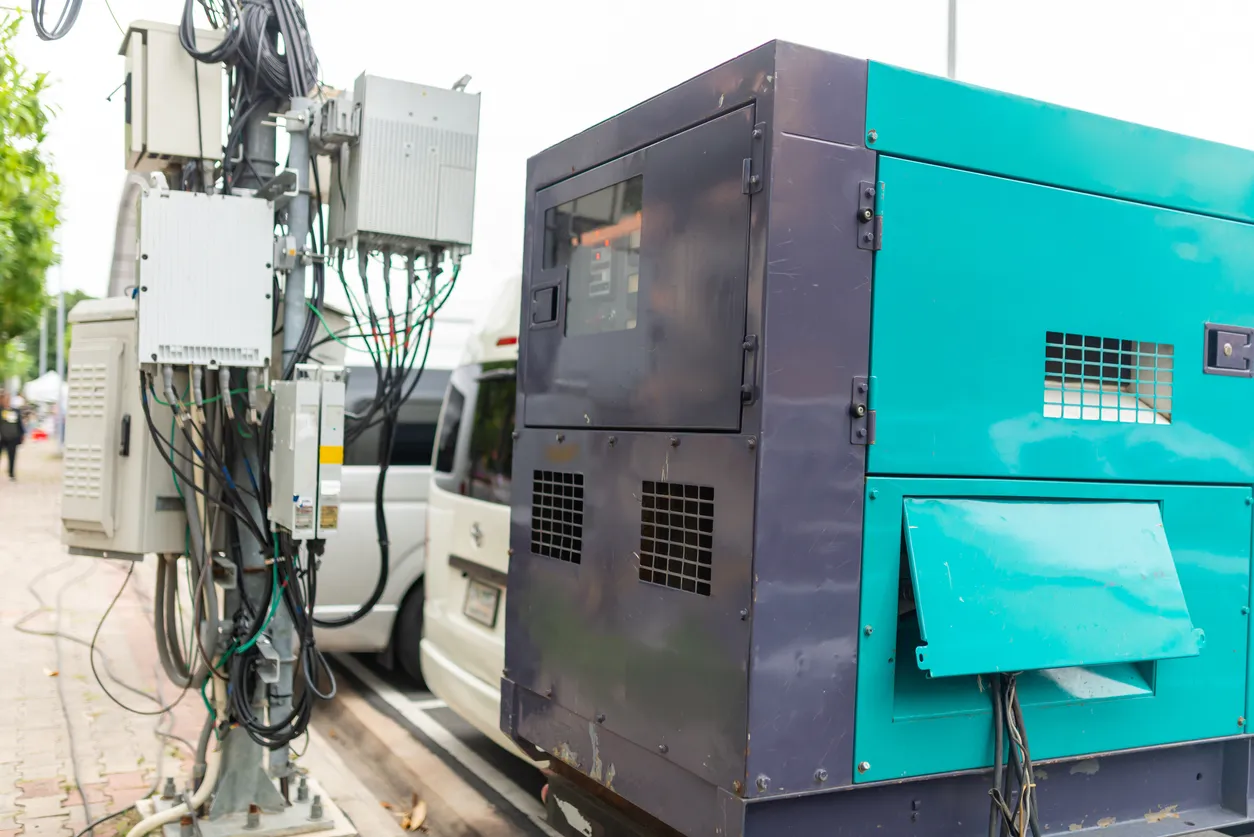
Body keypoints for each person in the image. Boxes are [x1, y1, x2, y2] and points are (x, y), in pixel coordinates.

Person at [0, 390, 24, 480]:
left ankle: (11, 474)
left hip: (13, 437)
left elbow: (19, 424)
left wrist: (22, 434)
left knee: (12, 456)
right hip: (2, 437)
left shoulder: (15, 411)